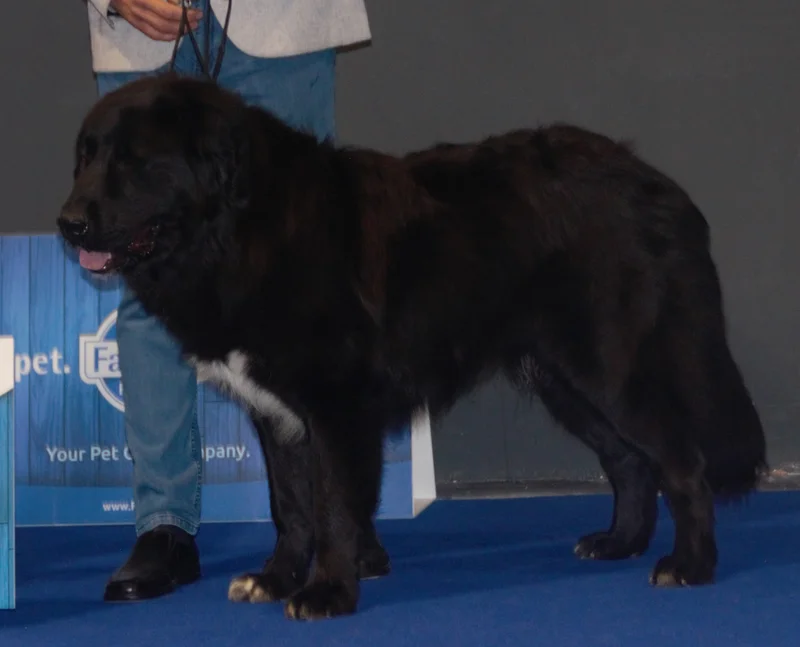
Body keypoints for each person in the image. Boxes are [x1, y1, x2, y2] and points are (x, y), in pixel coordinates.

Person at [82, 0, 372, 602]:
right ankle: (164, 525)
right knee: (143, 269)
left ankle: (337, 523)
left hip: (281, 20)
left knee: (305, 278)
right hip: (139, 26)